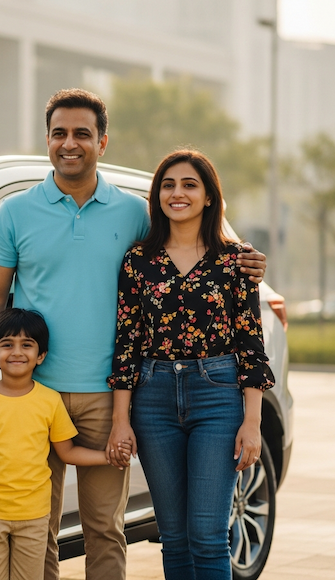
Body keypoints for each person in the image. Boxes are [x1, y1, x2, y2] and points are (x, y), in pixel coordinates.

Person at [0, 88, 267, 580]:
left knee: (104, 528)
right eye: (59, 133)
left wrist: (247, 259)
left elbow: (191, 241)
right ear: (48, 139)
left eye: (82, 133)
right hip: (35, 394)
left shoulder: (133, 213)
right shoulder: (16, 212)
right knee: (38, 527)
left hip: (111, 393)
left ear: (103, 141)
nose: (70, 143)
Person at [108, 149, 275, 579]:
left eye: (189, 184)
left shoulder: (236, 260)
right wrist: (121, 420)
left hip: (217, 395)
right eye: (168, 184)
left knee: (207, 535)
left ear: (208, 197)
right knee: (174, 538)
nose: (177, 193)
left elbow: (250, 344)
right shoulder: (138, 260)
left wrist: (252, 422)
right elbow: (127, 342)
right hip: (153, 397)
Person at [0, 308, 130, 580]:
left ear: (41, 356)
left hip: (34, 518)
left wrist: (108, 457)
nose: (16, 352)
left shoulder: (50, 401)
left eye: (27, 345)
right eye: (6, 345)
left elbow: (67, 452)